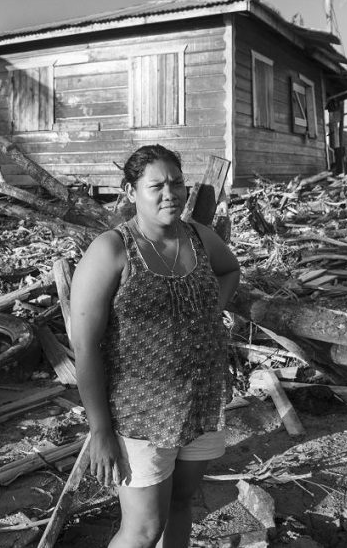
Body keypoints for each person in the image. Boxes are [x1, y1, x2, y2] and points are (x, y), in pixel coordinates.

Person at [70, 144, 240, 548]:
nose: (171, 193)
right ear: (131, 192)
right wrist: (100, 430)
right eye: (157, 185)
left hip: (199, 400)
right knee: (144, 529)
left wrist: (205, 312)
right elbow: (86, 347)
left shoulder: (198, 236)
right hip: (138, 415)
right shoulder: (112, 250)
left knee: (181, 504)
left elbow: (230, 269)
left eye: (177, 183)